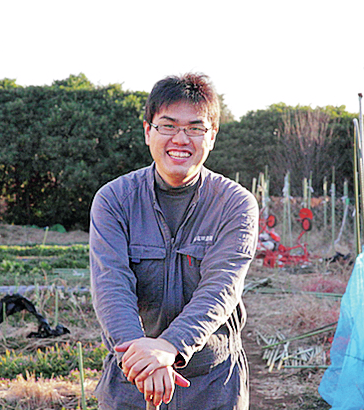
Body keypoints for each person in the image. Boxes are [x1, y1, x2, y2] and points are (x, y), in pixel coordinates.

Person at [89, 72, 259, 409]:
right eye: (168, 125)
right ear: (147, 130)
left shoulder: (235, 203)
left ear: (211, 136)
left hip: (212, 383)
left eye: (195, 128)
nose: (181, 139)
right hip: (131, 377)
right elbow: (111, 284)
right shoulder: (114, 199)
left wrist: (170, 347)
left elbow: (221, 288)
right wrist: (142, 357)